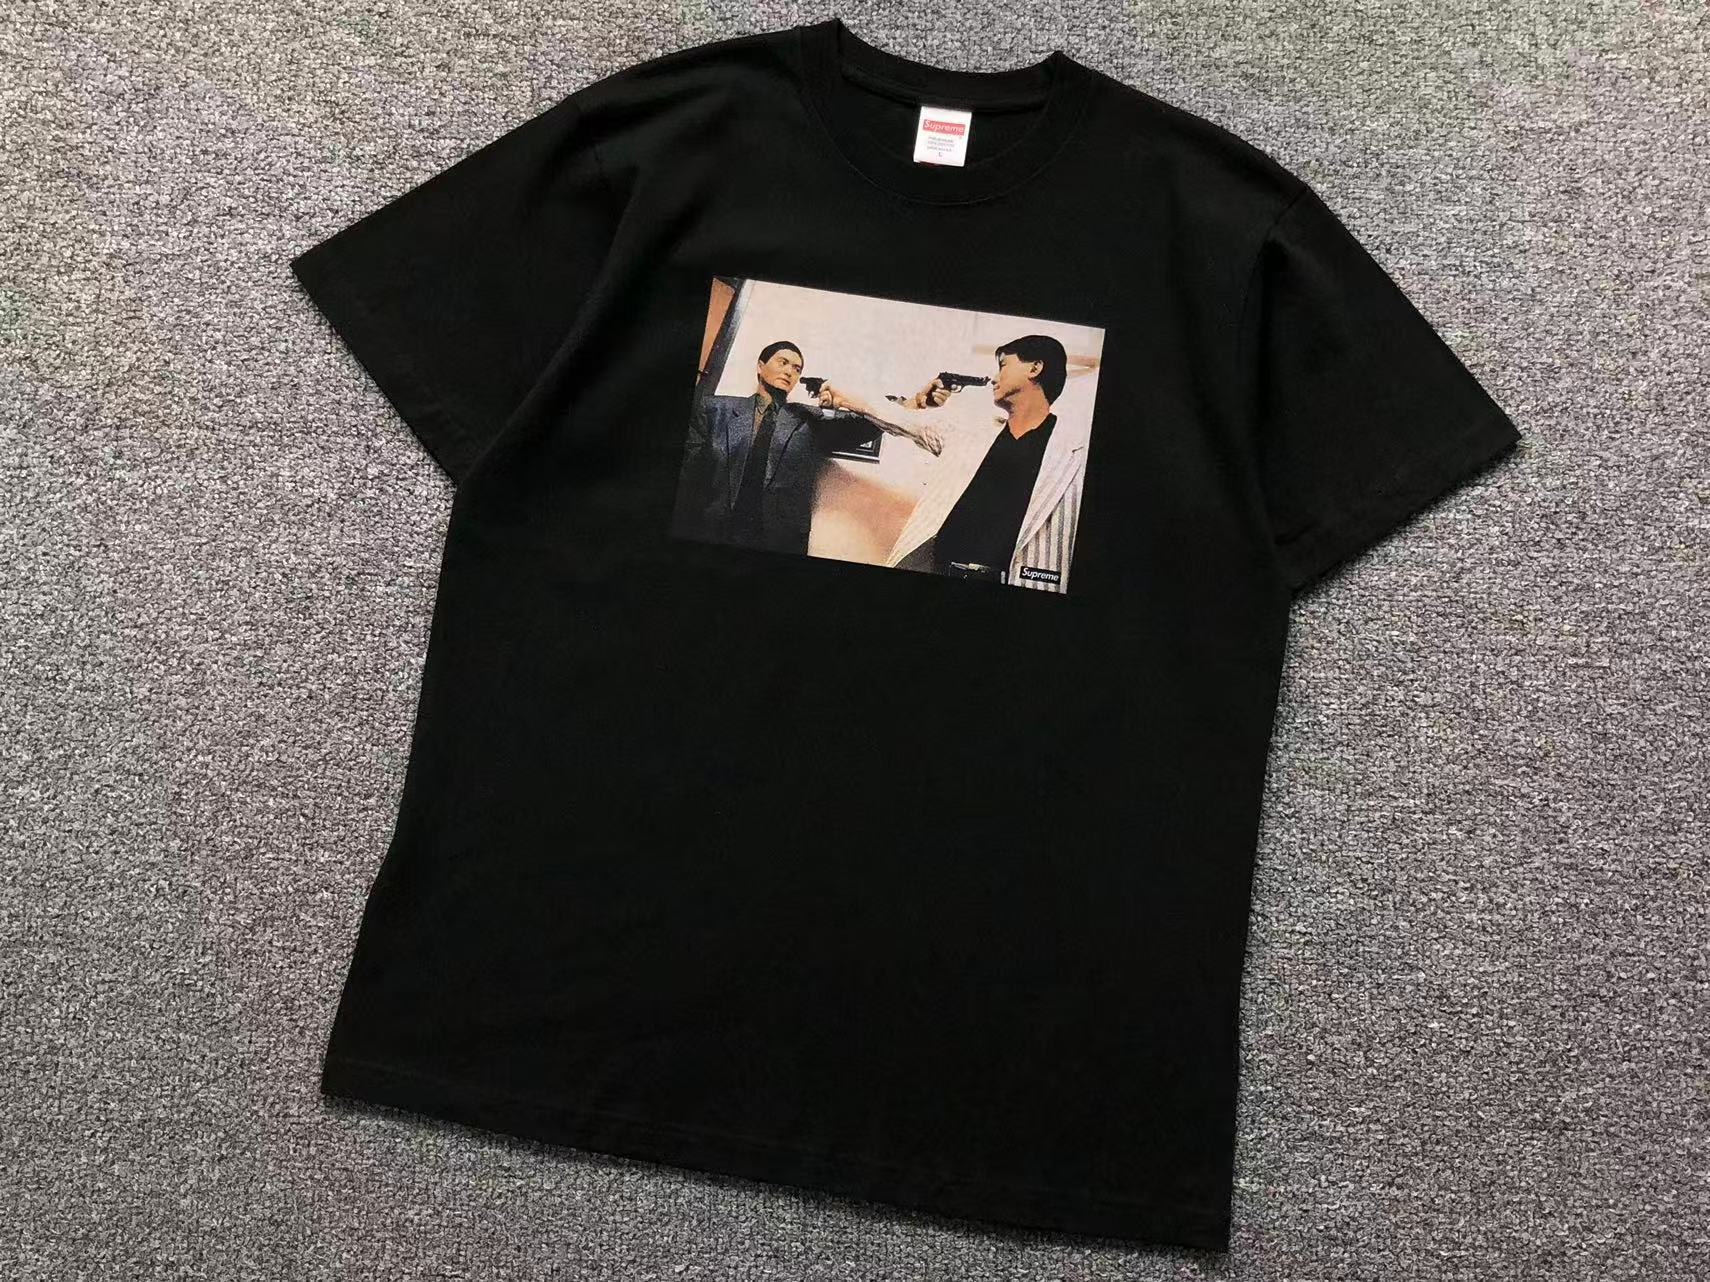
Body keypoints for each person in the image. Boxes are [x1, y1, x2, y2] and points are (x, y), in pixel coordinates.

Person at [817, 335, 1090, 591]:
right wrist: (850, 399)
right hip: (935, 569)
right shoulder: (970, 431)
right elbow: (903, 419)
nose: (995, 378)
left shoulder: (1076, 455)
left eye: (1003, 366)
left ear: (1035, 368)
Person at [671, 340, 936, 554]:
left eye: (797, 368)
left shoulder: (808, 420)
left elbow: (866, 427)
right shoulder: (714, 409)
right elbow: (687, 475)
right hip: (711, 531)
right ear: (761, 366)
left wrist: (910, 403)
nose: (790, 371)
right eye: (783, 362)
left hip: (777, 542)